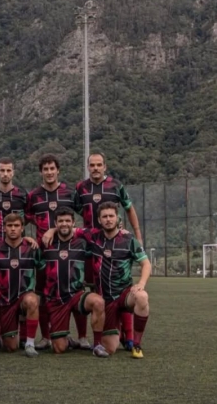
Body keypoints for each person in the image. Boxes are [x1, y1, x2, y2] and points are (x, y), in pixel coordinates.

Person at [49, 202, 150, 358]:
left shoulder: (128, 239)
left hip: (124, 293)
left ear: (117, 218)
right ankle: (119, 333)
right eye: (105, 216)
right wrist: (51, 230)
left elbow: (146, 264)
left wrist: (141, 284)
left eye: (111, 216)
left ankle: (137, 345)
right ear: (99, 219)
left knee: (142, 297)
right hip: (105, 298)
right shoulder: (92, 236)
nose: (108, 219)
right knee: (109, 348)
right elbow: (67, 228)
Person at [76, 153, 143, 349]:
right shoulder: (81, 188)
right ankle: (89, 336)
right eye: (92, 165)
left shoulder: (116, 185)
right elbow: (77, 212)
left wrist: (136, 233)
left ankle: (129, 337)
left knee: (120, 286)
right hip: (92, 245)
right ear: (88, 167)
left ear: (105, 166)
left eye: (99, 165)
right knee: (95, 289)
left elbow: (129, 208)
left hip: (115, 242)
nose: (95, 168)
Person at [25, 154, 84, 350]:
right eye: (45, 169)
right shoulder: (34, 195)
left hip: (70, 251)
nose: (49, 172)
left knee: (75, 291)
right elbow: (23, 220)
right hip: (45, 254)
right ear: (41, 172)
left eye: (52, 168)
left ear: (58, 170)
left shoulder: (69, 193)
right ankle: (45, 336)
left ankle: (82, 337)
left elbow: (83, 216)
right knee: (42, 294)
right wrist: (27, 237)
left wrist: (53, 229)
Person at [39, 207, 109, 357]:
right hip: (56, 299)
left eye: (67, 221)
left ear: (73, 223)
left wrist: (122, 231)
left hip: (76, 294)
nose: (64, 224)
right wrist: (29, 239)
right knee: (59, 349)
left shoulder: (83, 243)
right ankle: (68, 341)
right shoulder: (46, 242)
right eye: (61, 221)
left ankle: (97, 345)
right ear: (55, 224)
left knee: (98, 302)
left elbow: (102, 235)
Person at [0, 157, 28, 349]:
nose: (5, 174)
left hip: (19, 250)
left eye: (9, 170)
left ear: (13, 172)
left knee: (23, 290)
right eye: (2, 170)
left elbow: (27, 218)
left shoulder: (21, 195)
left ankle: (25, 337)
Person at [0, 213, 41, 357]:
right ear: (4, 228)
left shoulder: (32, 248)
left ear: (22, 228)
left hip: (24, 297)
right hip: (5, 300)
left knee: (32, 300)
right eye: (9, 226)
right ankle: (0, 338)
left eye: (16, 226)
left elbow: (42, 268)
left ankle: (29, 343)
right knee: (10, 347)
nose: (13, 229)